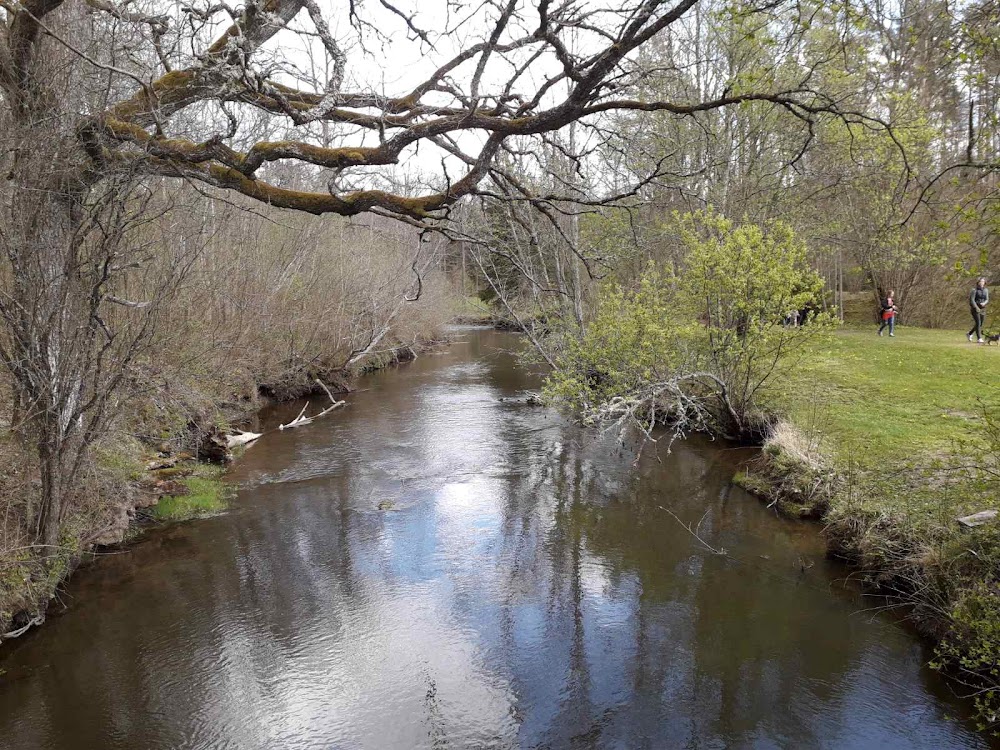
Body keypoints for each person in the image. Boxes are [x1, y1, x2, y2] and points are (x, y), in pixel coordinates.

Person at [968, 277, 989, 343]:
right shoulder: (974, 290)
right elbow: (972, 300)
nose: (981, 283)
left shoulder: (986, 290)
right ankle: (979, 338)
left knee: (980, 324)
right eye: (980, 281)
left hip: (983, 308)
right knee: (978, 322)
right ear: (978, 282)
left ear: (984, 282)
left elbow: (987, 299)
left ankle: (969, 333)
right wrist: (976, 308)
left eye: (983, 281)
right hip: (975, 309)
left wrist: (984, 303)